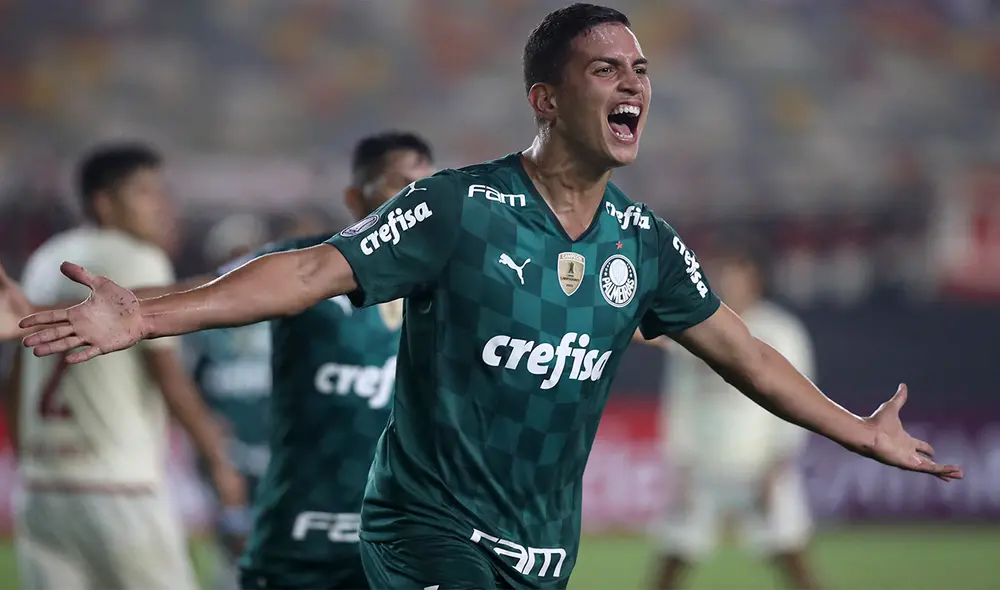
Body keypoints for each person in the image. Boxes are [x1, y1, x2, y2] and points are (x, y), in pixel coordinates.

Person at [17, 5, 961, 589]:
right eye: (607, 69)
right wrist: (146, 313)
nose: (634, 83)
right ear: (545, 98)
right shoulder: (458, 209)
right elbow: (309, 270)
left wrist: (857, 431)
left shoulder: (644, 243)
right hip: (425, 530)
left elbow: (744, 352)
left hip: (540, 551)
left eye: (641, 71)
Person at [8, 142, 244, 589]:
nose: (162, 206)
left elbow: (17, 375)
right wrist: (218, 456)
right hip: (119, 486)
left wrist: (29, 463)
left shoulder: (44, 259)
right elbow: (170, 380)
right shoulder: (136, 258)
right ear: (103, 202)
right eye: (145, 193)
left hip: (42, 488)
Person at [650, 244, 822, 590]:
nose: (729, 285)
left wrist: (778, 464)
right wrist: (680, 463)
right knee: (670, 565)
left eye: (737, 277)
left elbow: (800, 400)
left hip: (759, 466)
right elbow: (679, 400)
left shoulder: (781, 331)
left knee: (794, 561)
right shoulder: (694, 325)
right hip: (704, 467)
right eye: (724, 277)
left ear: (755, 280)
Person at [182, 213, 271, 590]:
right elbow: (187, 392)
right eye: (233, 255)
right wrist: (214, 454)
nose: (242, 263)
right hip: (227, 458)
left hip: (279, 457)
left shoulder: (286, 317)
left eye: (250, 253)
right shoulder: (203, 326)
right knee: (233, 555)